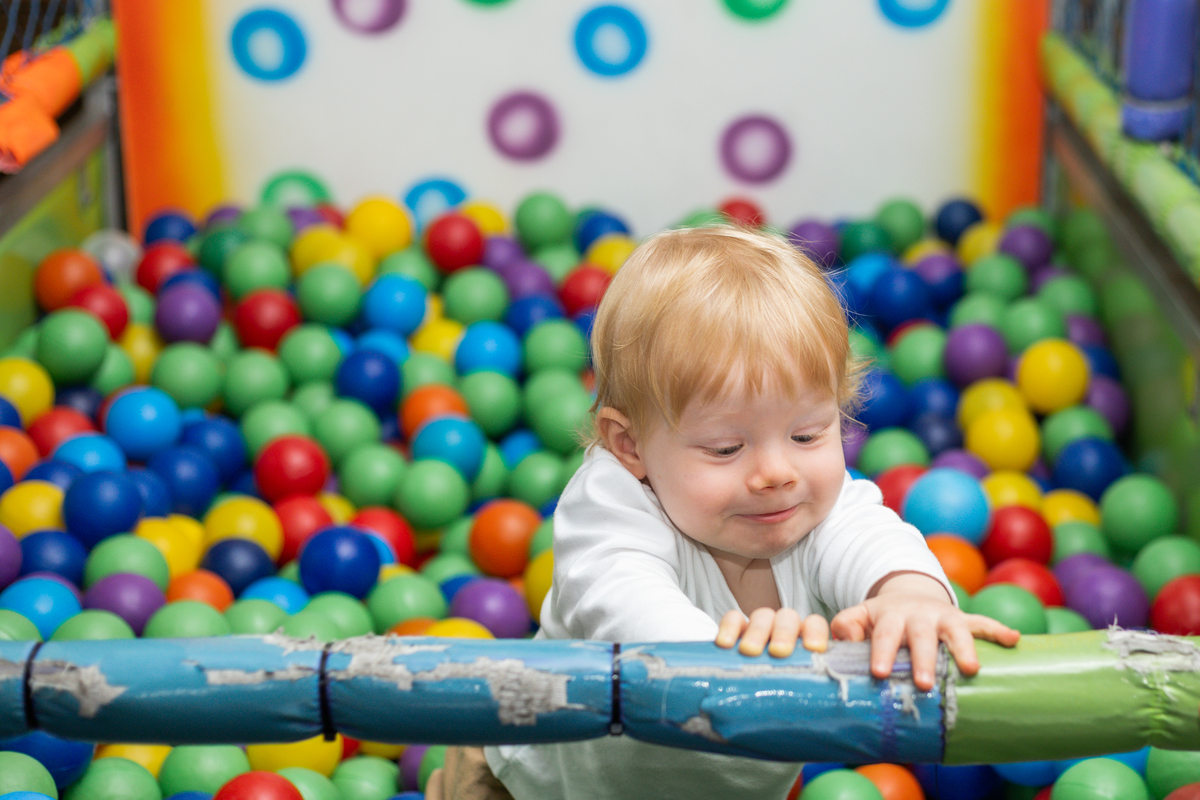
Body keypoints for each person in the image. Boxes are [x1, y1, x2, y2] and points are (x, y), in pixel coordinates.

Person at [427, 225, 1019, 800]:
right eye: (726, 449)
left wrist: (912, 599)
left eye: (809, 433)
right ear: (630, 447)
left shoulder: (811, 502)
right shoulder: (610, 503)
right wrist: (739, 661)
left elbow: (874, 539)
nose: (776, 472)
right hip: (534, 783)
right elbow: (628, 609)